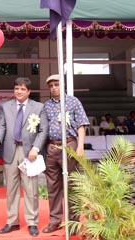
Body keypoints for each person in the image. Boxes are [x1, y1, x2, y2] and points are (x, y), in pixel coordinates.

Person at [0, 77, 48, 237]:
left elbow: (43, 130)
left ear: (29, 91)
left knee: (31, 189)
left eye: (23, 89)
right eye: (16, 88)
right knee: (11, 189)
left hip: (29, 152)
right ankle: (12, 221)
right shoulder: (5, 106)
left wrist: (36, 148)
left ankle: (32, 222)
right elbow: (1, 126)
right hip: (10, 150)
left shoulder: (38, 107)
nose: (19, 91)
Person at [42, 74, 89, 234]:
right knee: (52, 186)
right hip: (52, 147)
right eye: (51, 85)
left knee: (72, 185)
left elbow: (82, 124)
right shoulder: (46, 105)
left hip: (69, 144)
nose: (54, 87)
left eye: (56, 84)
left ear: (63, 85)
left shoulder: (73, 101)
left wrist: (80, 146)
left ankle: (73, 222)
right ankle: (55, 220)